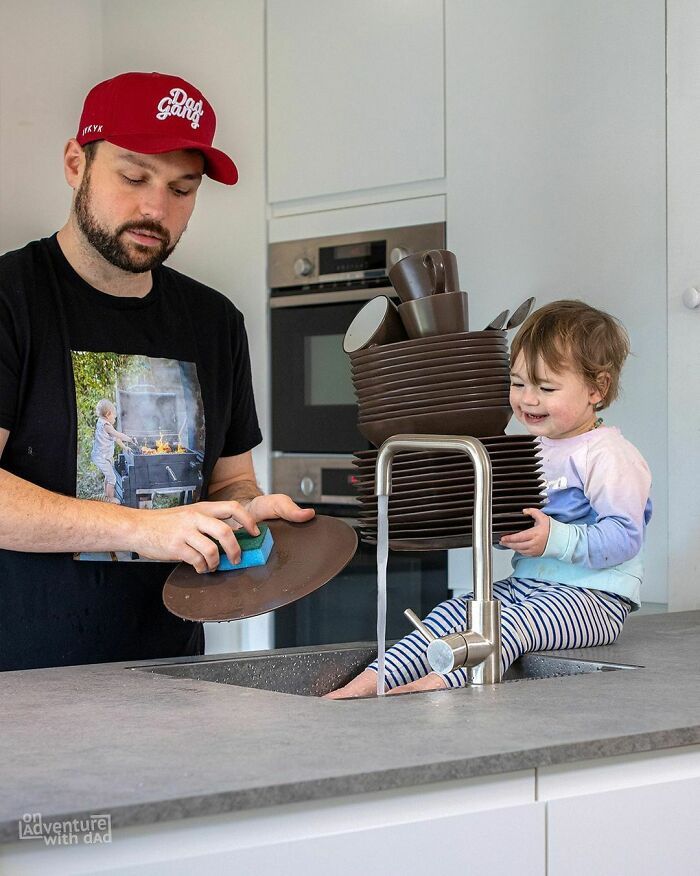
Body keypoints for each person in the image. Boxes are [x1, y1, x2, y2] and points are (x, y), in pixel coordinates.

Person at [0, 71, 313, 671]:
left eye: (182, 188)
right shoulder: (10, 301)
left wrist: (246, 512)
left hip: (174, 677)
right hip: (22, 689)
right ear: (75, 162)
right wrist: (140, 528)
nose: (154, 208)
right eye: (133, 176)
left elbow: (228, 482)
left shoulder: (215, 322)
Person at [326, 299, 652, 698]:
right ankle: (370, 682)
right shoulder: (535, 447)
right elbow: (519, 526)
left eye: (546, 388)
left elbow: (625, 538)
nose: (527, 400)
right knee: (451, 610)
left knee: (508, 626)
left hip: (594, 602)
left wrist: (555, 539)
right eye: (517, 383)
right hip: (527, 587)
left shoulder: (608, 454)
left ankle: (437, 684)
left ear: (596, 389)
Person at [90, 399, 135, 503]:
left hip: (102, 456)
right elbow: (118, 435)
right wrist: (129, 439)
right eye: (114, 416)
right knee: (112, 478)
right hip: (101, 457)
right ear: (108, 414)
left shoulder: (101, 422)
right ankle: (110, 499)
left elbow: (116, 438)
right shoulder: (106, 426)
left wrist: (125, 447)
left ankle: (106, 494)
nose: (115, 418)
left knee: (108, 475)